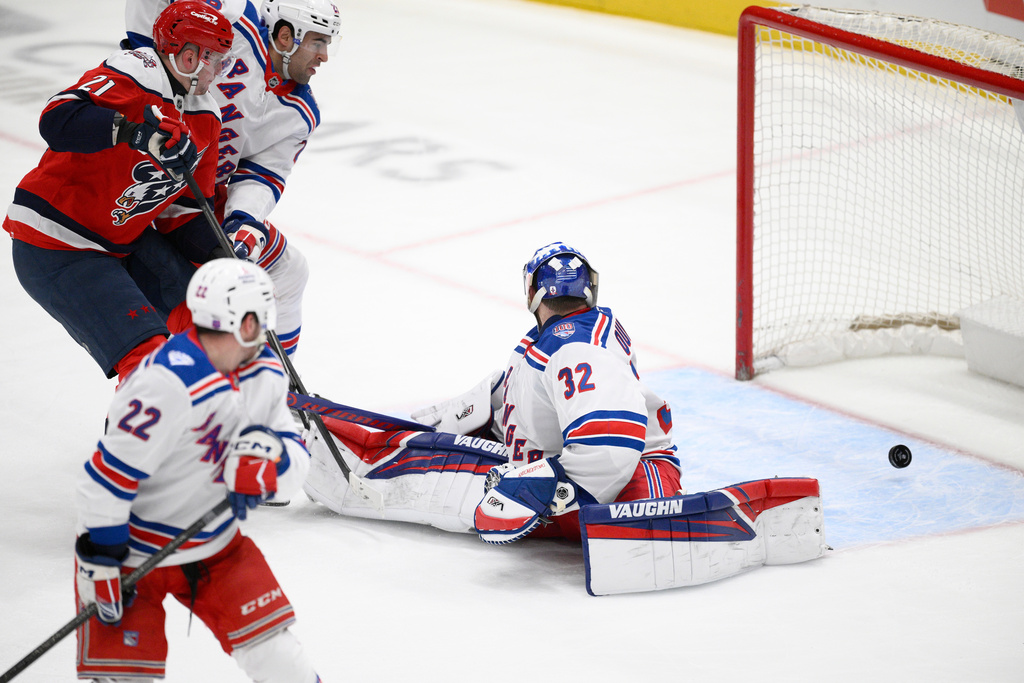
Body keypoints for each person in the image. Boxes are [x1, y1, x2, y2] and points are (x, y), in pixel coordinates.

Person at [302, 242, 826, 594]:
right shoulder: (554, 341)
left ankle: (340, 458)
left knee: (428, 471)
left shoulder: (578, 346)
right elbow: (492, 397)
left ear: (533, 292)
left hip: (620, 484)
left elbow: (610, 446)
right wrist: (425, 424)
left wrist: (548, 485)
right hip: (588, 477)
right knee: (431, 450)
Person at [74, 258, 319, 681]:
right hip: (134, 558)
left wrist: (271, 465)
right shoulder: (163, 382)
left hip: (217, 547)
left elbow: (295, 451)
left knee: (283, 663)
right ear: (244, 323)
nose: (266, 332)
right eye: (262, 320)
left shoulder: (264, 373)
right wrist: (102, 561)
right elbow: (108, 477)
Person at [2, 1, 235, 382]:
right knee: (149, 361)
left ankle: (216, 418)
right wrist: (135, 132)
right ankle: (136, 437)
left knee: (211, 328)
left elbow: (186, 215)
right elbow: (58, 118)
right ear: (189, 56)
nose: (221, 72)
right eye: (217, 60)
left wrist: (222, 254)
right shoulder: (138, 70)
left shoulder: (207, 117)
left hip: (124, 244)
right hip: (57, 243)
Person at [125, 0, 342, 357]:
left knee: (289, 271)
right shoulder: (235, 21)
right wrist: (145, 57)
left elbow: (264, 173)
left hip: (199, 201)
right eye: (318, 42)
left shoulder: (300, 113)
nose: (325, 57)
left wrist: (244, 219)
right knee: (181, 312)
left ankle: (274, 384)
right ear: (286, 36)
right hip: (140, 180)